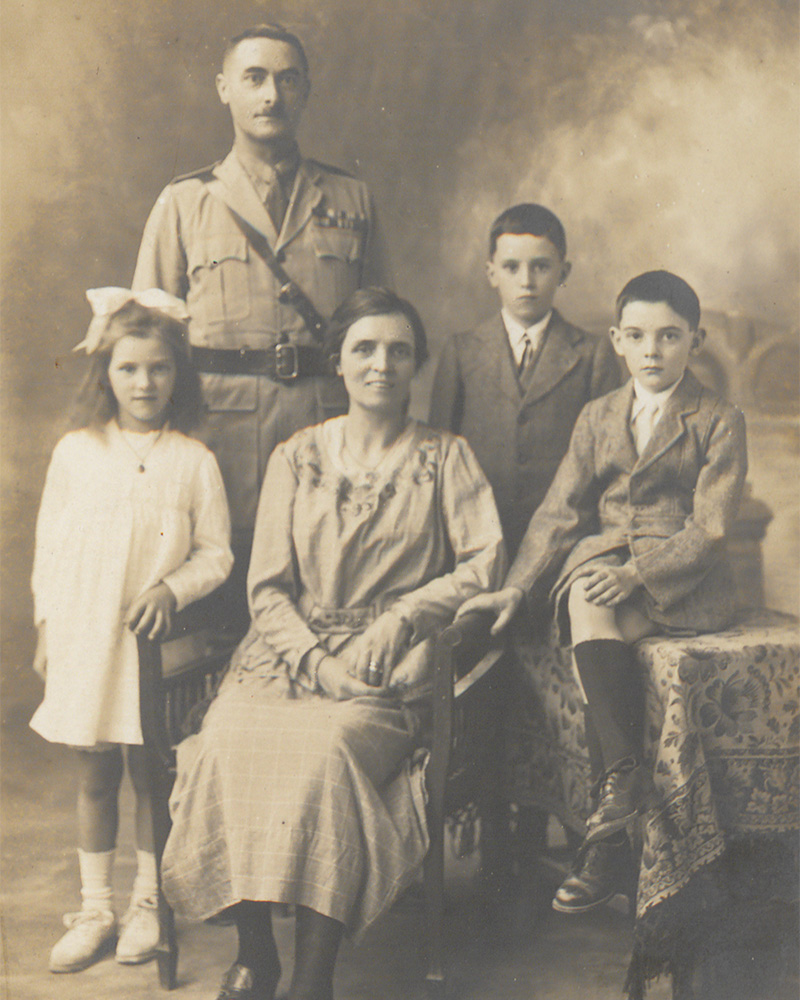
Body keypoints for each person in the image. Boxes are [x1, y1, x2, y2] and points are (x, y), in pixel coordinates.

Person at [159, 288, 506, 1000]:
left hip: (385, 664)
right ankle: (258, 956)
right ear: (338, 363)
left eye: (399, 351)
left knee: (321, 757)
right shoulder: (296, 456)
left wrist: (404, 617)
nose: (382, 364)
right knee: (227, 743)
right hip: (285, 656)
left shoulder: (446, 457)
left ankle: (315, 976)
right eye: (365, 349)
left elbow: (482, 563)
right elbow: (267, 589)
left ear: (416, 365)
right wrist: (314, 660)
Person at [459, 270, 747, 914]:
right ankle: (621, 792)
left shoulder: (719, 419)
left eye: (670, 336)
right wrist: (515, 589)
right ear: (617, 340)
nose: (653, 351)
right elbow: (559, 512)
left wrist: (637, 575)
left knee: (600, 613)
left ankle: (608, 838)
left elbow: (712, 526)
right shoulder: (597, 417)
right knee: (588, 594)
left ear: (694, 341)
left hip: (684, 573)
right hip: (610, 560)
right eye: (639, 336)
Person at [132, 23, 387, 602]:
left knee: (326, 590)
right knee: (221, 603)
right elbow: (145, 340)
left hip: (328, 431)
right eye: (255, 78)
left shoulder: (352, 199)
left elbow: (382, 334)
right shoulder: (185, 201)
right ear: (225, 88)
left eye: (286, 79)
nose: (271, 94)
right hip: (220, 436)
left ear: (305, 92)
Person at [30, 289, 233, 973]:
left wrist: (170, 589)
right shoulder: (77, 452)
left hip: (149, 645)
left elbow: (216, 552)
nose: (144, 383)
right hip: (87, 632)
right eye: (129, 369)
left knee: (150, 773)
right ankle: (96, 907)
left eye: (159, 369)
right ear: (105, 374)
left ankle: (150, 901)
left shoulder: (192, 460)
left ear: (179, 376)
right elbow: (51, 549)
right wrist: (48, 628)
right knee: (93, 772)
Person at [428, 203, 620, 560]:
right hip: (477, 545)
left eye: (541, 267)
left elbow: (610, 466)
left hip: (564, 547)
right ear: (491, 273)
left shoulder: (593, 354)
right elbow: (437, 461)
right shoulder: (462, 351)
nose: (526, 281)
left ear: (564, 272)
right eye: (511, 267)